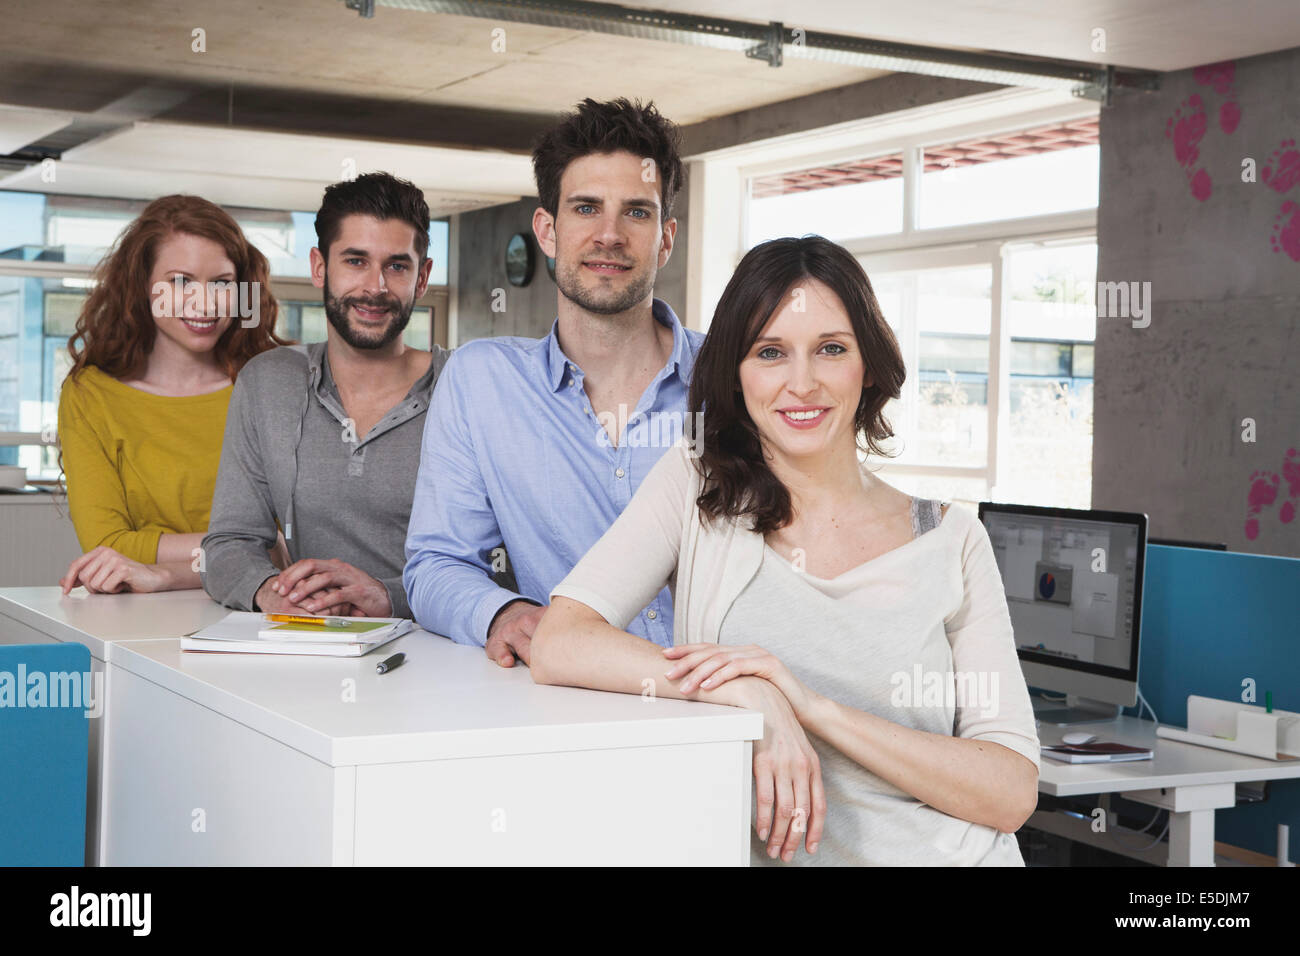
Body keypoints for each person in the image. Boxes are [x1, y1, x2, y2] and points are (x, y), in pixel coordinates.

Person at [530, 236, 1041, 866]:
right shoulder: (696, 488)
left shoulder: (953, 539)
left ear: (869, 365)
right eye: (771, 352)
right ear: (737, 374)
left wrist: (810, 706)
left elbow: (1011, 791)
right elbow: (560, 641)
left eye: (831, 349)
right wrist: (747, 692)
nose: (802, 384)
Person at [404, 97, 703, 662]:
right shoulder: (482, 382)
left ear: (666, 238)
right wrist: (502, 611)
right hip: (566, 709)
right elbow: (437, 563)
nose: (609, 235)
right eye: (586, 208)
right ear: (547, 230)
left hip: (731, 710)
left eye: (637, 212)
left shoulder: (738, 376)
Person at [201, 172, 451, 618]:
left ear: (422, 276)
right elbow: (228, 543)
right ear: (320, 267)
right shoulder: (268, 382)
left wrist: (389, 595)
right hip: (313, 644)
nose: (375, 287)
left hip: (453, 655)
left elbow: (511, 564)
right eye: (355, 261)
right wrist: (268, 591)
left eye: (397, 266)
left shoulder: (466, 386)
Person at [58, 194, 289, 595]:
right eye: (180, 281)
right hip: (136, 621)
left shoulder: (273, 384)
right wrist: (242, 547)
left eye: (221, 283)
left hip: (267, 616)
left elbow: (291, 551)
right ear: (141, 286)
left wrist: (164, 569)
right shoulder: (89, 395)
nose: (204, 302)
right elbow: (108, 547)